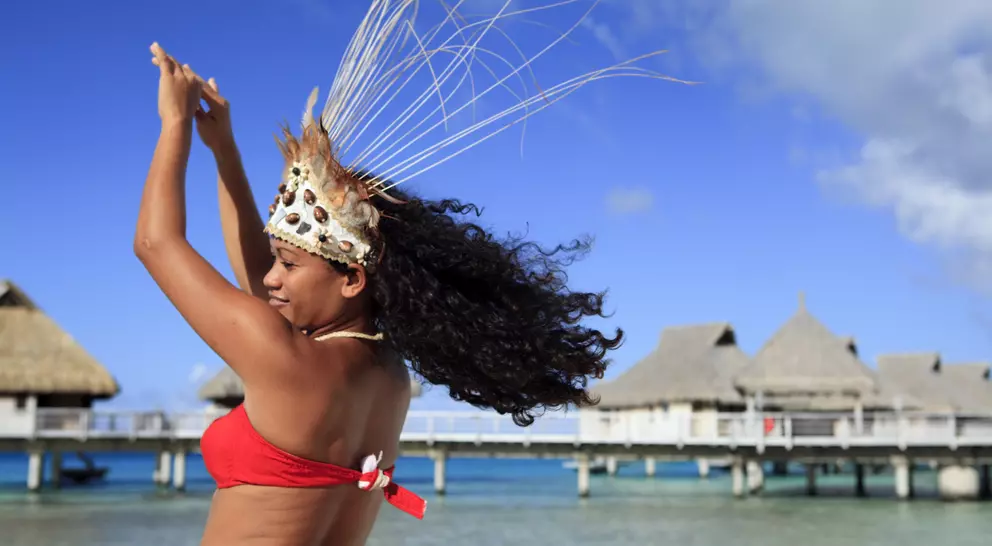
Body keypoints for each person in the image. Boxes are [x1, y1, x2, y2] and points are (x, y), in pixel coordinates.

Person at [136, 16, 629, 546]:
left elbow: (155, 243)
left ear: (352, 278)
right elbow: (269, 288)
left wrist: (174, 123)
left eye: (289, 264)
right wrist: (225, 153)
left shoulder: (287, 358)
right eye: (276, 261)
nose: (270, 278)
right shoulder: (388, 374)